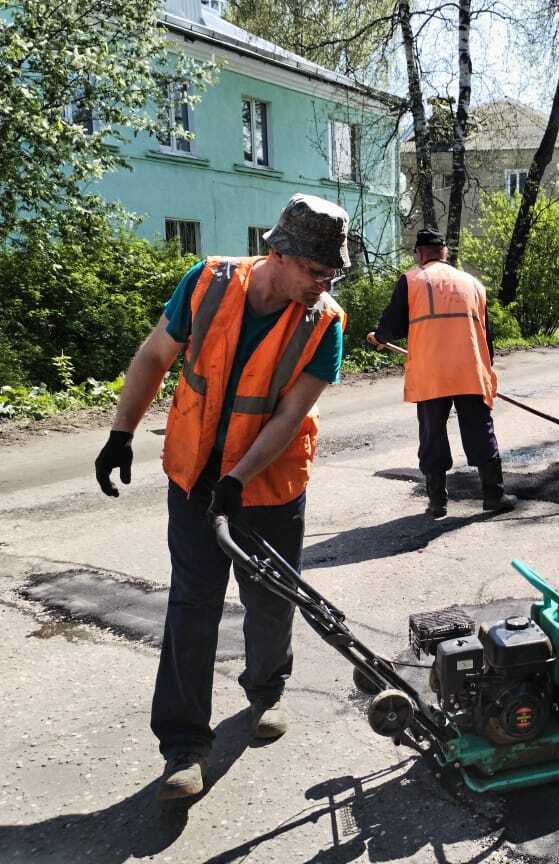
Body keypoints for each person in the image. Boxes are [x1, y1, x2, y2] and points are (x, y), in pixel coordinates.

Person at [93, 193, 348, 801]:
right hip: (193, 475)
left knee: (269, 598)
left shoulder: (324, 322)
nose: (324, 283)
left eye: (332, 273)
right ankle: (183, 748)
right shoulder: (207, 284)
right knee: (191, 605)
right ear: (277, 254)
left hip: (270, 482)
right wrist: (120, 433)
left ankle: (267, 691)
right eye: (316, 270)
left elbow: (289, 415)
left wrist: (239, 478)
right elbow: (154, 356)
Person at [367, 228, 515, 518]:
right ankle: (494, 496)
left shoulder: (412, 280)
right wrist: (486, 370)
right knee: (480, 430)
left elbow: (393, 323)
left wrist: (380, 337)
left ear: (420, 254)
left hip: (431, 372)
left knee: (432, 435)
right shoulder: (473, 283)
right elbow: (486, 335)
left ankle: (437, 503)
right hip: (470, 370)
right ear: (445, 252)